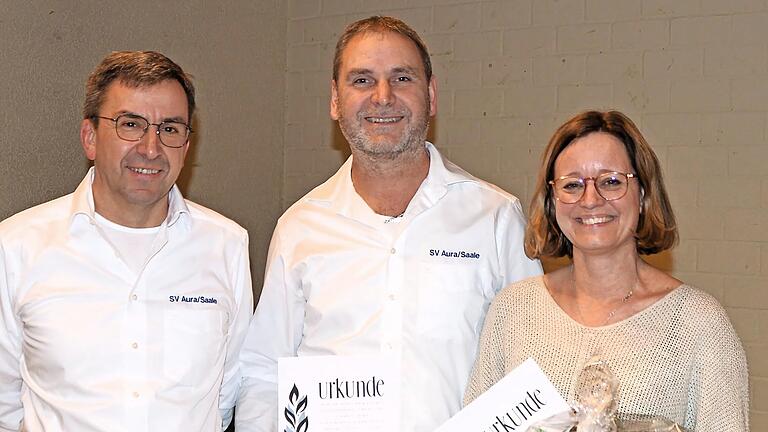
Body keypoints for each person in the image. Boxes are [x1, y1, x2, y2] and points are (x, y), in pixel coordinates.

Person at [236, 15, 542, 432]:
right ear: (334, 99)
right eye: (362, 80)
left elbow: (532, 371)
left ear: (431, 96)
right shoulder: (300, 228)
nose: (383, 97)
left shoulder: (495, 218)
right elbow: (264, 373)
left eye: (402, 78)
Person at [0, 51, 253, 432]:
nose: (151, 148)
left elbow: (227, 394)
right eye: (130, 124)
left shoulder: (226, 245)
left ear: (186, 147)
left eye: (169, 129)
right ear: (90, 137)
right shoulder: (17, 246)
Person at [464, 110, 749, 431]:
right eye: (572, 185)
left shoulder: (698, 323)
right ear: (552, 202)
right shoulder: (513, 309)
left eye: (611, 182)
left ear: (642, 195)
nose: (590, 199)